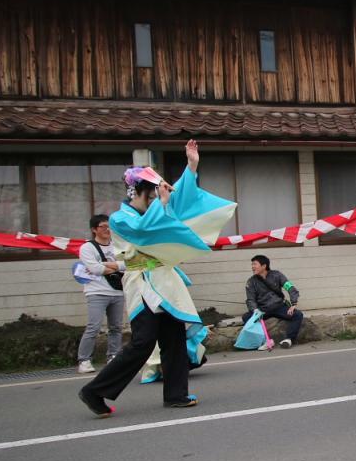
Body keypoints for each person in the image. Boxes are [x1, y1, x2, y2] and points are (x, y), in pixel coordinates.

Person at [78, 140, 236, 417]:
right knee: (143, 342)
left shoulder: (155, 207)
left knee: (173, 338)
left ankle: (176, 393)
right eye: (151, 193)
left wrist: (192, 165)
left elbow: (180, 201)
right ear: (138, 191)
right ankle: (94, 391)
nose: (156, 197)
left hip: (164, 280)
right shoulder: (119, 219)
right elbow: (143, 231)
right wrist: (161, 205)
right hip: (142, 284)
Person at [75, 214, 126, 374]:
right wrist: (115, 266)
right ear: (94, 229)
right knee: (93, 327)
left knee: (116, 327)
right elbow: (95, 269)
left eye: (109, 226)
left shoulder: (117, 245)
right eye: (103, 226)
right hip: (96, 292)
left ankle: (113, 356)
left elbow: (128, 264)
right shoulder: (87, 248)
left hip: (118, 292)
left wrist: (103, 265)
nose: (107, 230)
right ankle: (84, 360)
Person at [242, 254, 303, 349]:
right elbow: (250, 299)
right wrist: (255, 310)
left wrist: (293, 304)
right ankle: (266, 341)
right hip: (262, 310)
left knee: (298, 315)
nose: (252, 267)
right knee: (246, 317)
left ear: (264, 266)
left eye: (255, 264)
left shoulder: (277, 275)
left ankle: (289, 339)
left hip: (279, 307)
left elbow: (290, 287)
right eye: (252, 264)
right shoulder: (251, 281)